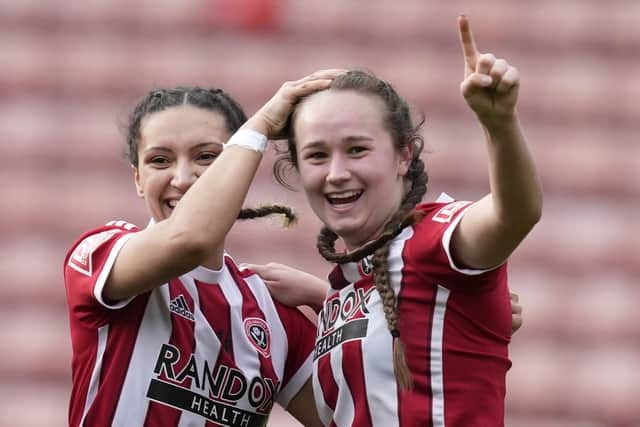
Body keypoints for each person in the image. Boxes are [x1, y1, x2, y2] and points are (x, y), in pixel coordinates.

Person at [253, 15, 542, 426]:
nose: (336, 172)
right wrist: (323, 296)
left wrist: (500, 125)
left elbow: (515, 214)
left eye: (356, 150)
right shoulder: (346, 286)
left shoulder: (434, 237)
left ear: (404, 155)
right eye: (317, 155)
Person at [62, 73, 345, 427]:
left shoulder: (272, 312)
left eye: (207, 156)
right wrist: (260, 126)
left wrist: (329, 299)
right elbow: (189, 240)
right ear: (137, 178)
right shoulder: (101, 253)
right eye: (160, 161)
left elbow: (358, 419)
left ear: (237, 169)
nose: (182, 178)